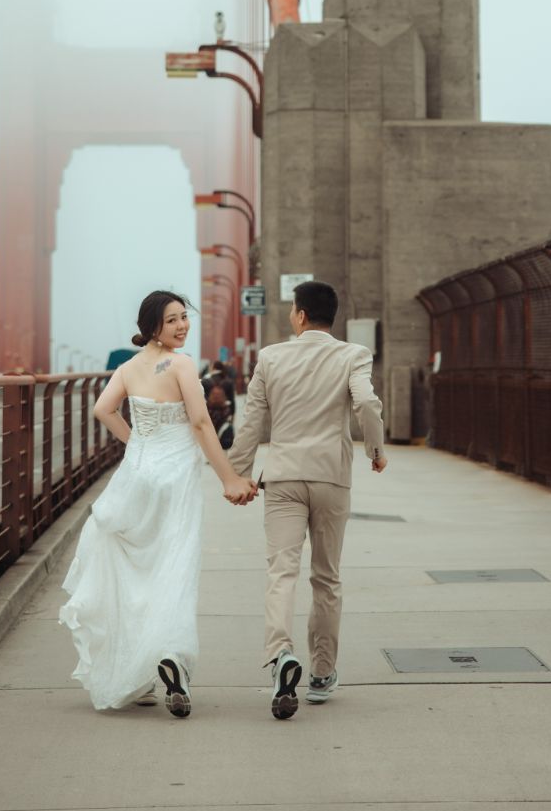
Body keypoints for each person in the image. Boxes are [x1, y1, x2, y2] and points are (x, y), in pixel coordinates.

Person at [58, 291, 258, 716]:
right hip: (175, 478)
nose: (182, 326)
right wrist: (230, 478)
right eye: (172, 321)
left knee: (138, 572)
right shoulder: (181, 365)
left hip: (136, 476)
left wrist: (138, 445)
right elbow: (201, 422)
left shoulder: (129, 368)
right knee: (175, 567)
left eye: (185, 318)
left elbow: (103, 409)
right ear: (153, 328)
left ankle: (140, 669)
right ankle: (170, 655)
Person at [228, 280, 386, 720]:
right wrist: (375, 450)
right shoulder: (352, 354)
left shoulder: (271, 357)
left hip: (282, 479)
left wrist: (236, 475)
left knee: (282, 571)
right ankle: (321, 672)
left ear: (299, 316)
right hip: (331, 477)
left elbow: (253, 422)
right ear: (329, 317)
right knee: (326, 578)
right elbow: (368, 404)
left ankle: (280, 654)